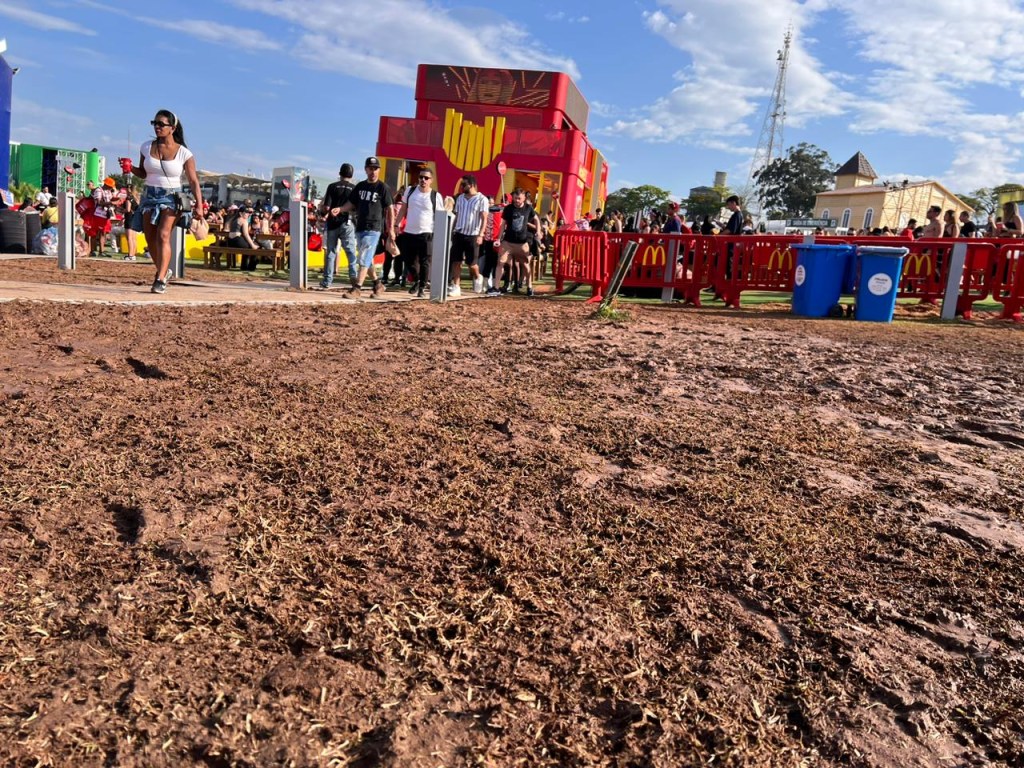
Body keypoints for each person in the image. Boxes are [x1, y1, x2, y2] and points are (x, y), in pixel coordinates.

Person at [128, 109, 204, 293]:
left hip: (171, 197)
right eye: (154, 123)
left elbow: (193, 181)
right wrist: (130, 168)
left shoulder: (184, 153)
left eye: (161, 124)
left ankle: (160, 278)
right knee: (150, 238)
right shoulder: (146, 147)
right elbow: (144, 173)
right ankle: (163, 270)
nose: (157, 127)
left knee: (163, 235)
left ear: (172, 127)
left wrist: (200, 205)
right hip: (149, 195)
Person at [336, 156, 394, 298]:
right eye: (370, 168)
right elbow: (352, 203)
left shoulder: (383, 188)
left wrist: (391, 228)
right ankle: (378, 284)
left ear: (379, 170)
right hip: (360, 227)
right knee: (367, 260)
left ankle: (357, 288)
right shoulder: (360, 186)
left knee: (363, 257)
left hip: (374, 228)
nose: (373, 171)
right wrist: (341, 209)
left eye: (375, 169)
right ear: (366, 169)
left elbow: (390, 209)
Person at [395, 168, 445, 298]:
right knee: (409, 260)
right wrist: (397, 224)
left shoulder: (436, 196)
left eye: (426, 178)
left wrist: (440, 233)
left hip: (427, 232)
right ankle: (417, 280)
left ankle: (422, 287)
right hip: (409, 231)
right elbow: (403, 209)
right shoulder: (410, 191)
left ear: (431, 181)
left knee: (425, 261)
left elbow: (440, 216)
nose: (423, 180)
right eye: (421, 177)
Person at [490, 187, 539, 297]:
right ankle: (496, 287)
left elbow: (536, 219)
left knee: (526, 265)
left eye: (519, 199)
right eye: (515, 198)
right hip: (508, 242)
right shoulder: (508, 208)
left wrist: (538, 231)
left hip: (522, 243)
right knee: (500, 263)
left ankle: (530, 287)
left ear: (524, 198)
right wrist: (499, 238)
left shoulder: (528, 208)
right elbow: (503, 224)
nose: (517, 201)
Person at [318, 162, 357, 290]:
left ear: (340, 174)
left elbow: (327, 207)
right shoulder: (354, 188)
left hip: (333, 222)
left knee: (331, 252)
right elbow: (356, 207)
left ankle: (327, 281)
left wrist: (322, 212)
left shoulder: (332, 186)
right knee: (350, 252)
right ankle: (354, 278)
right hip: (347, 222)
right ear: (351, 175)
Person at [449, 174, 489, 295]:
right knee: (456, 261)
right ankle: (456, 286)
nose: (461, 187)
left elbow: (484, 218)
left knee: (472, 264)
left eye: (463, 184)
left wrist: (481, 234)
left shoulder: (482, 199)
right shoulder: (460, 198)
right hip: (459, 233)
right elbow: (456, 215)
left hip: (473, 234)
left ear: (471, 185)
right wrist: (452, 230)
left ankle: (478, 277)